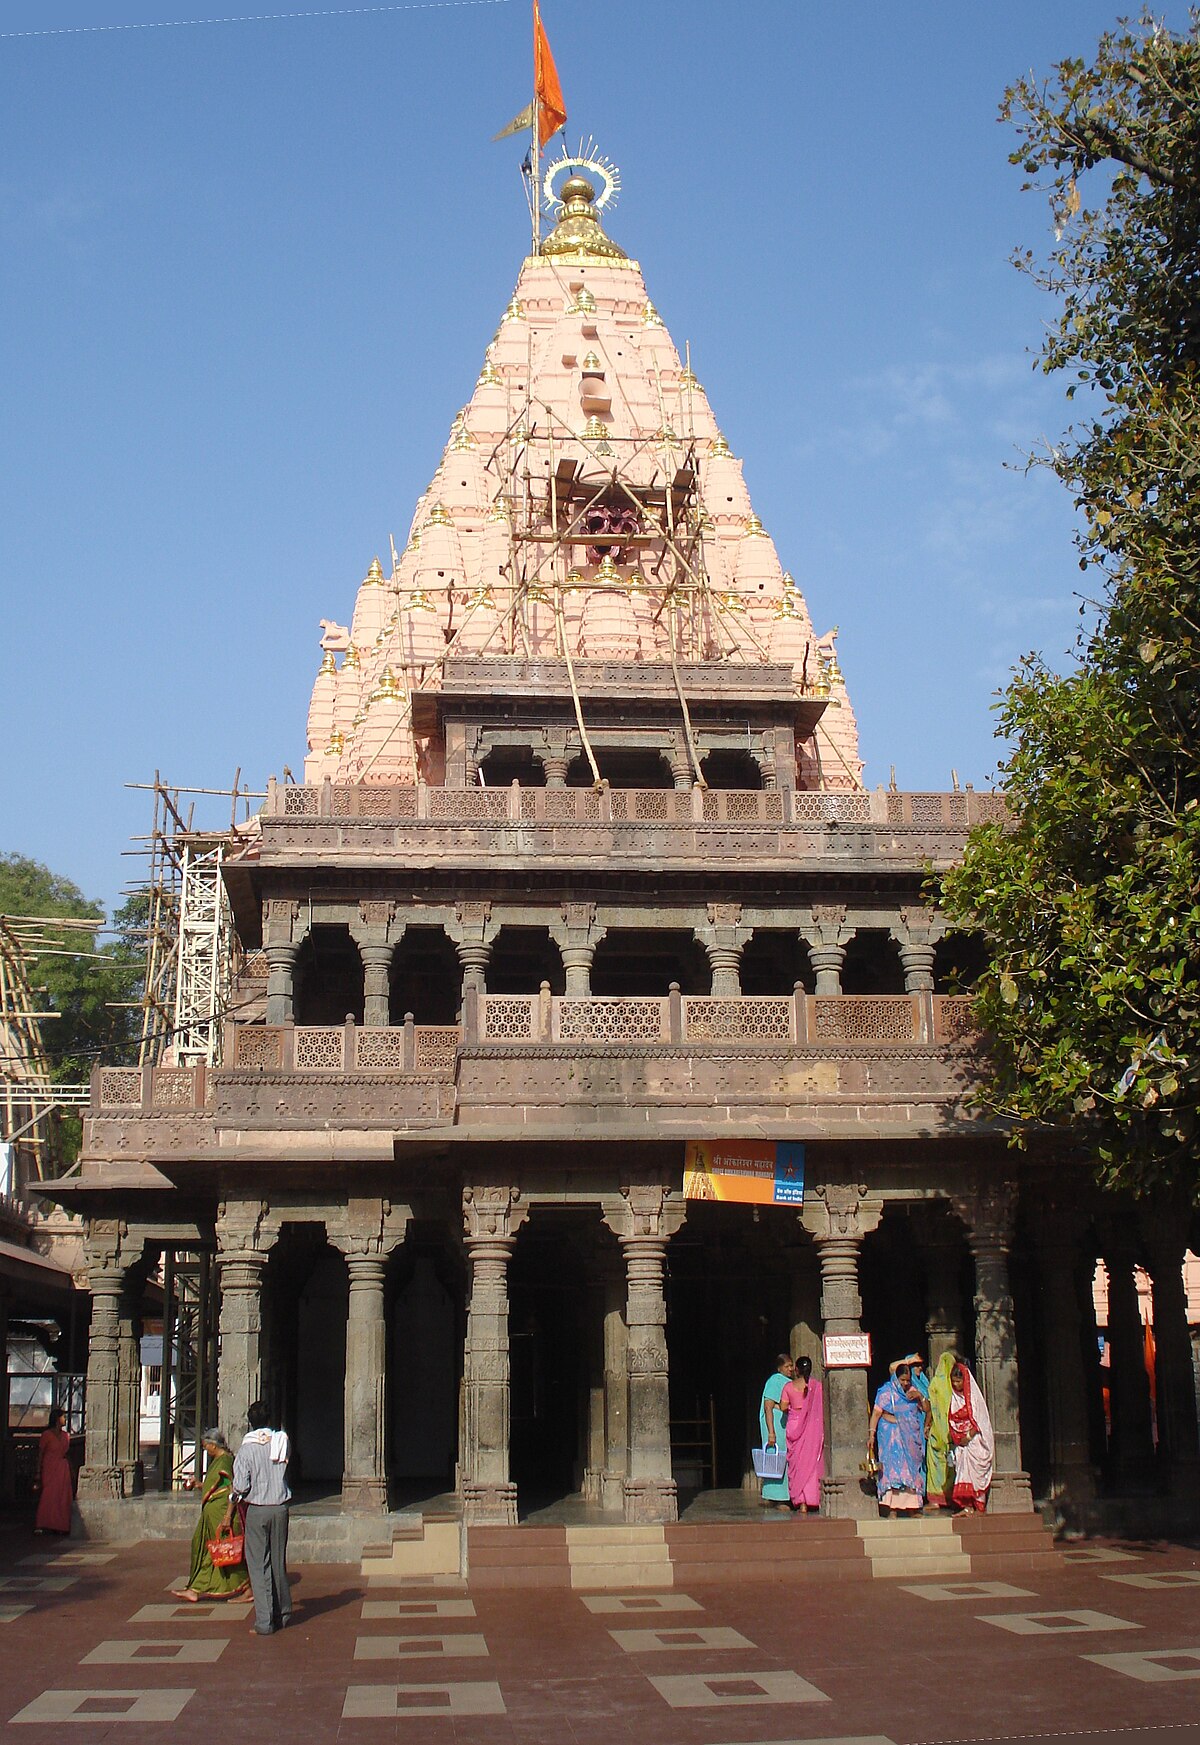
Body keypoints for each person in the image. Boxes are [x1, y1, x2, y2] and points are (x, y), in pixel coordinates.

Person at [224, 1401, 292, 1636]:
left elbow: (241, 1485)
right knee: (277, 1562)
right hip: (280, 1507)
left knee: (258, 1565)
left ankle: (264, 1621)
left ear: (250, 1422)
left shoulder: (247, 1449)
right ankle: (282, 1613)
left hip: (258, 1508)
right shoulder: (281, 1441)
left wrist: (233, 1499)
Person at [172, 1429, 249, 1602]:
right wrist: (199, 1485)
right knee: (205, 1549)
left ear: (213, 1445)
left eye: (206, 1446)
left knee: (225, 1552)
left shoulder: (225, 1462)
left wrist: (228, 1516)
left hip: (221, 1514)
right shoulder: (219, 1461)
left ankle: (247, 1585)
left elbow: (232, 1490)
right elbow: (216, 1488)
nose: (206, 1449)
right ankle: (195, 1588)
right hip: (211, 1515)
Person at [867, 1360, 930, 1516]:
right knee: (892, 1470)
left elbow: (927, 1409)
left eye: (908, 1380)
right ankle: (892, 1508)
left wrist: (920, 1396)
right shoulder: (886, 1392)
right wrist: (871, 1435)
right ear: (896, 1378)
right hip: (890, 1435)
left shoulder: (913, 1391)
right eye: (902, 1380)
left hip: (909, 1437)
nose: (905, 1383)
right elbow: (876, 1414)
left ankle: (912, 1507)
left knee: (910, 1470)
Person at [947, 1358, 994, 1513]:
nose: (956, 1385)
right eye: (953, 1382)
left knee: (977, 1473)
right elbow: (952, 1419)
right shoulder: (954, 1398)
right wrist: (960, 1437)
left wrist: (969, 1435)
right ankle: (967, 1507)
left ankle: (979, 1507)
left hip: (975, 1442)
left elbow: (980, 1420)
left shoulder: (974, 1398)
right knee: (963, 1472)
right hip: (962, 1445)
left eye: (959, 1381)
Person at [779, 1354, 824, 1512]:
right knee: (811, 1463)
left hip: (794, 1425)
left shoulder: (789, 1387)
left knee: (798, 1464)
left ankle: (802, 1503)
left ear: (796, 1370)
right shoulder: (817, 1386)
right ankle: (813, 1499)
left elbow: (784, 1407)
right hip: (812, 1427)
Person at [759, 1354, 794, 1509]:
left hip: (783, 1424)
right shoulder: (775, 1381)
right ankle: (778, 1497)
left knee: (782, 1458)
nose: (790, 1369)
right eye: (787, 1366)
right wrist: (771, 1431)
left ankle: (779, 1495)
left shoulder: (788, 1382)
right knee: (777, 1457)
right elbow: (768, 1406)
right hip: (774, 1426)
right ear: (779, 1368)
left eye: (791, 1366)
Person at [33, 1408, 74, 1535]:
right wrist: (38, 1471)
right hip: (50, 1466)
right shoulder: (47, 1435)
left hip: (62, 1467)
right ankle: (42, 1523)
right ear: (57, 1419)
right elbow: (41, 1453)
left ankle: (61, 1525)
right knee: (49, 1494)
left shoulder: (66, 1435)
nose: (65, 1419)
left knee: (62, 1496)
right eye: (63, 1417)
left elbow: (66, 1453)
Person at [925, 1350, 956, 1509]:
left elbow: (931, 1407)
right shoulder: (955, 1384)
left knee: (935, 1464)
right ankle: (951, 1497)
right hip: (951, 1432)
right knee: (951, 1465)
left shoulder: (936, 1382)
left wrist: (927, 1425)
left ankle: (935, 1500)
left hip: (937, 1430)